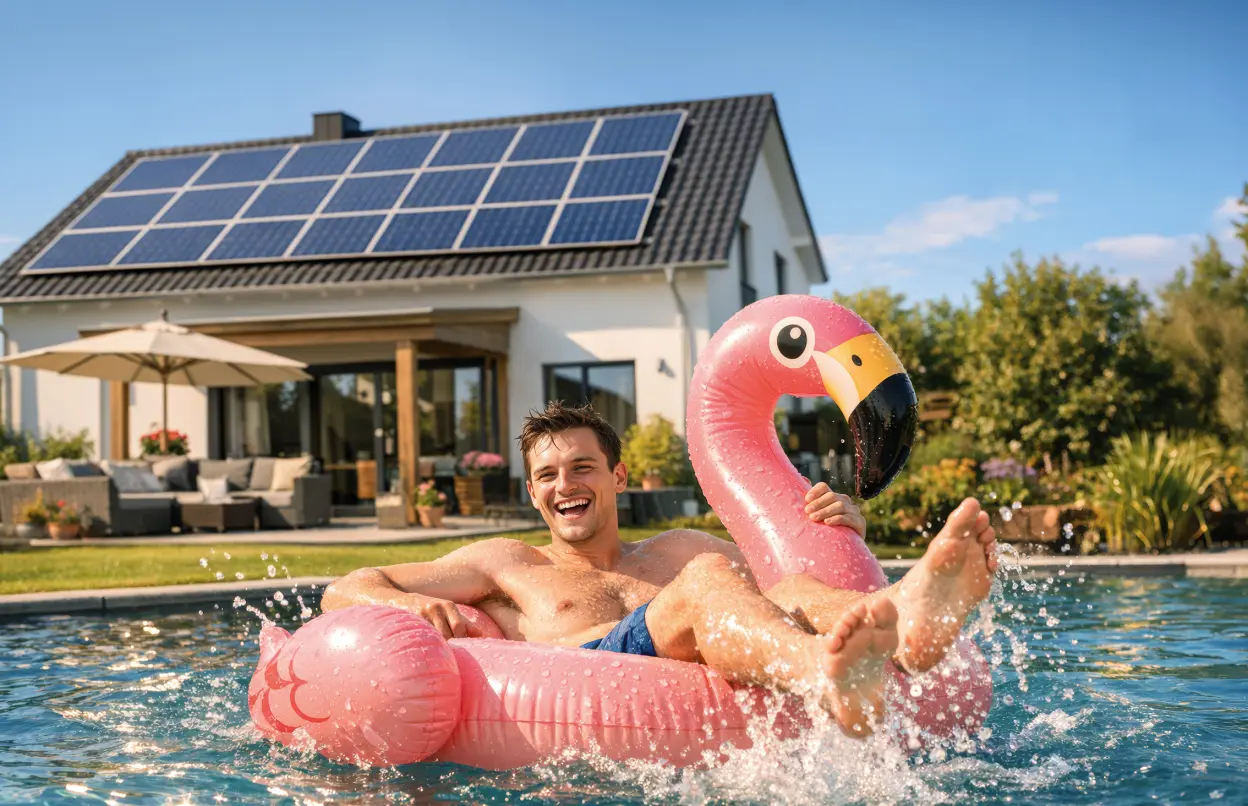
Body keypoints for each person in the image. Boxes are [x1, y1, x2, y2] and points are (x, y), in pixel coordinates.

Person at [322, 402, 998, 737]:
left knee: (780, 584)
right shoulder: (507, 562)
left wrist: (846, 525)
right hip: (582, 683)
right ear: (532, 492)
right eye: (547, 476)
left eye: (582, 467)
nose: (565, 485)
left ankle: (914, 622)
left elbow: (780, 594)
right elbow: (345, 589)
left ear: (616, 476)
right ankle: (824, 675)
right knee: (706, 578)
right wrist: (406, 608)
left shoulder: (675, 545)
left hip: (683, 679)